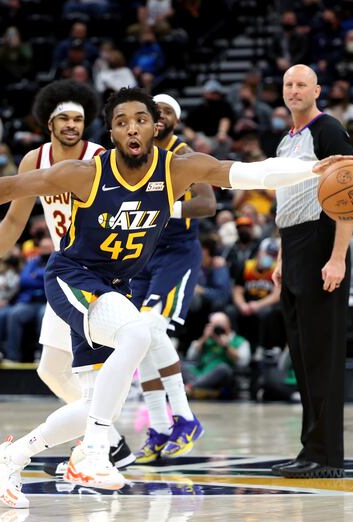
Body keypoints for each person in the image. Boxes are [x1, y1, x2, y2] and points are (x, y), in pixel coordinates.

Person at [0, 87, 351, 507]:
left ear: (157, 127)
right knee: (138, 333)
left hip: (115, 287)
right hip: (72, 276)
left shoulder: (178, 168)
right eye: (122, 122)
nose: (133, 128)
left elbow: (249, 173)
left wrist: (315, 168)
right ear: (112, 133)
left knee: (97, 403)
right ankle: (92, 456)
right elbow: (3, 190)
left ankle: (10, 457)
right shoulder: (84, 173)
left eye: (141, 119)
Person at [0, 80, 134, 471]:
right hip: (65, 271)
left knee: (89, 371)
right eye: (65, 119)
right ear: (49, 123)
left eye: (79, 119)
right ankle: (112, 442)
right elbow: (14, 219)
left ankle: (100, 447)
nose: (72, 125)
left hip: (98, 272)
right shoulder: (34, 161)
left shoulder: (101, 157)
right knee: (51, 369)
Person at [271, 65, 353, 480]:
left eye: (302, 83)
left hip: (324, 243)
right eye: (288, 84)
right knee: (303, 356)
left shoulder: (329, 130)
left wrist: (338, 256)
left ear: (317, 89)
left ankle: (329, 457)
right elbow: (287, 200)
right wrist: (282, 258)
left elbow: (351, 192)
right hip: (294, 245)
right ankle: (311, 449)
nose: (294, 90)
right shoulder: (285, 141)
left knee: (323, 354)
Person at [130, 94, 216, 464]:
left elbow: (208, 205)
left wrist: (165, 207)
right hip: (139, 255)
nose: (160, 117)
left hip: (176, 253)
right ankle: (161, 427)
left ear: (176, 120)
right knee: (139, 339)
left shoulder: (185, 157)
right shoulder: (135, 157)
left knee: (151, 325)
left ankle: (185, 417)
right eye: (154, 112)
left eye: (166, 112)